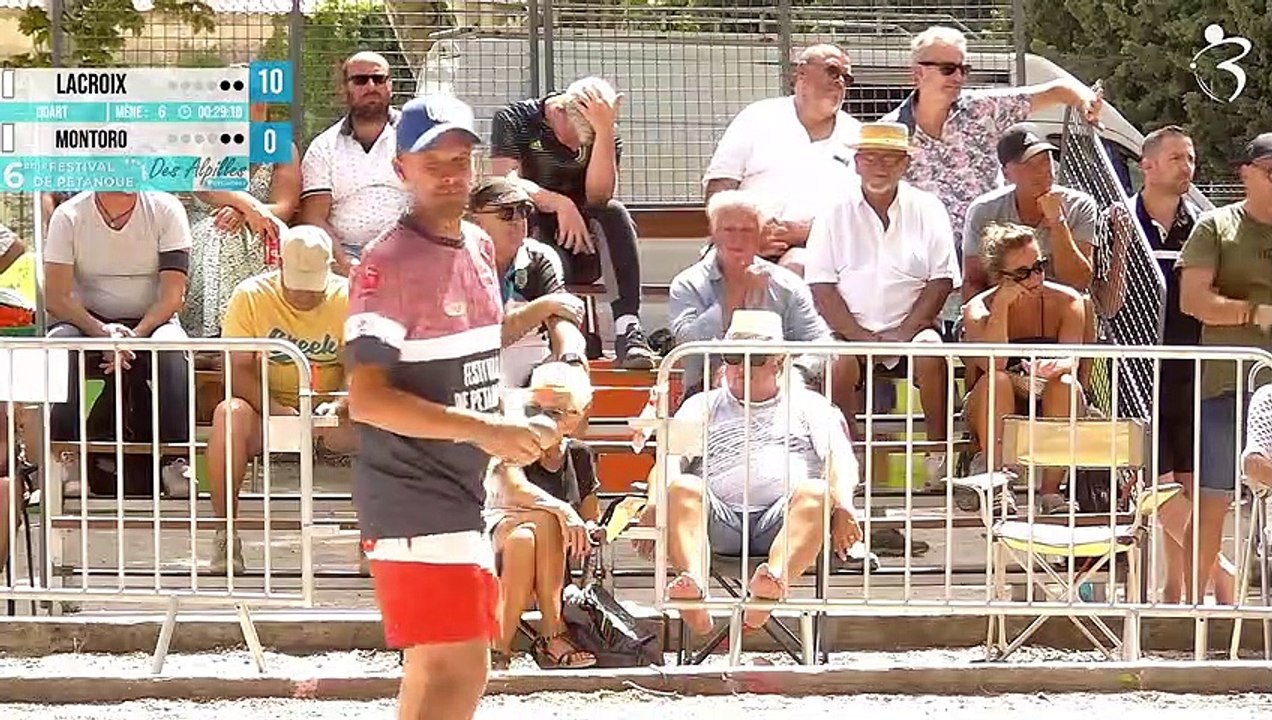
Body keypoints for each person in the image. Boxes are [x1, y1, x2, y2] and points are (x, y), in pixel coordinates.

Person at [344, 94, 545, 720]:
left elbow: (468, 356)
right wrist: (488, 429)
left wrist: (527, 405)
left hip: (458, 490)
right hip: (413, 493)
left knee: (441, 670)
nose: (451, 173)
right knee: (458, 667)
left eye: (461, 159)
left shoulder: (481, 248)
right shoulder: (386, 263)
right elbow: (367, 399)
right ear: (402, 168)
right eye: (435, 162)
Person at [637, 310, 862, 634]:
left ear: (779, 362)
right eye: (733, 357)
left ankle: (771, 585)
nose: (742, 368)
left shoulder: (810, 406)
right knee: (682, 486)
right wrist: (655, 500)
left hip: (785, 521)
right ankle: (694, 589)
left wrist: (843, 504)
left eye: (755, 359)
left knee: (816, 491)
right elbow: (669, 460)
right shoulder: (701, 405)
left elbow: (840, 460)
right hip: (718, 522)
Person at [806, 122, 960, 488]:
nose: (880, 166)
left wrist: (905, 332)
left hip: (913, 328)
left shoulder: (928, 207)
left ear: (905, 164)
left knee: (930, 350)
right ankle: (849, 458)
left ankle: (938, 457)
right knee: (836, 360)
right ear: (857, 163)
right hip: (848, 331)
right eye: (871, 158)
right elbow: (822, 286)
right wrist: (858, 335)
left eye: (891, 159)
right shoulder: (832, 211)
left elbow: (942, 279)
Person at [883, 25, 1104, 256]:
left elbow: (1060, 90)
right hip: (929, 263)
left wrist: (1086, 103)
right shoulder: (891, 134)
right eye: (948, 69)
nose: (958, 77)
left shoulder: (982, 109)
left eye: (963, 69)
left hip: (992, 257)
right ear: (918, 74)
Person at [208, 225, 354, 574]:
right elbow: (236, 367)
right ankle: (225, 534)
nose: (304, 295)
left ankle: (373, 541)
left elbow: (359, 365)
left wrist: (338, 404)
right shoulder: (251, 295)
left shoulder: (349, 295)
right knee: (229, 415)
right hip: (267, 412)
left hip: (331, 411)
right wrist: (275, 409)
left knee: (379, 420)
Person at [1128, 126, 1234, 603]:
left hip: (1196, 367)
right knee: (1155, 485)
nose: (1186, 167)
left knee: (1191, 485)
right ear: (1146, 165)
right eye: (1175, 158)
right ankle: (1224, 576)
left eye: (1190, 158)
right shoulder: (1120, 221)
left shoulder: (1207, 225)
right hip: (1139, 370)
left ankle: (1177, 589)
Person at [490, 76, 655, 369]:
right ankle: (562, 332)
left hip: (587, 242)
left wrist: (604, 133)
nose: (576, 148)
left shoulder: (603, 130)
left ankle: (628, 330)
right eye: (575, 138)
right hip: (538, 240)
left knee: (614, 212)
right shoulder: (516, 119)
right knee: (530, 216)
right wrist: (559, 203)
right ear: (560, 111)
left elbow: (598, 195)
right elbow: (506, 182)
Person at [43, 191, 195, 498]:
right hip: (84, 321)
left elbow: (172, 297)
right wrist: (102, 333)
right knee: (59, 345)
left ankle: (176, 459)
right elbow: (56, 297)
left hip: (153, 323)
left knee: (173, 346)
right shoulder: (68, 215)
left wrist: (134, 337)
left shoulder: (166, 209)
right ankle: (66, 458)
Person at [1176, 132, 1272, 605]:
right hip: (1229, 383)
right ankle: (1189, 616)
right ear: (1247, 174)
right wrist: (1254, 313)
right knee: (1214, 500)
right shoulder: (1216, 226)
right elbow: (1193, 300)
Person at [702, 44, 862, 275]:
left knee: (798, 265)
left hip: (822, 248)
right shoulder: (758, 117)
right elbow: (720, 187)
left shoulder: (856, 136)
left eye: (847, 78)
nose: (840, 82)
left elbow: (858, 213)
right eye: (832, 71)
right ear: (801, 73)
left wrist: (800, 231)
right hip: (743, 242)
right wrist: (747, 235)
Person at [961, 223, 1088, 514]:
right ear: (999, 276)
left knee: (1066, 383)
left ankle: (1052, 493)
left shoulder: (1068, 301)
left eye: (1039, 266)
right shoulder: (978, 309)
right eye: (1022, 273)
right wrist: (1002, 308)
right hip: (992, 397)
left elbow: (1073, 357)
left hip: (1051, 389)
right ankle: (997, 486)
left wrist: (1053, 368)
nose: (1035, 278)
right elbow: (994, 362)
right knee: (999, 380)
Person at [484, 362, 599, 670]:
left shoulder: (579, 454)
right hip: (497, 530)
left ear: (577, 415)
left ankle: (499, 649)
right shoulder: (515, 439)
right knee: (545, 519)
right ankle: (553, 634)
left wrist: (590, 527)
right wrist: (562, 510)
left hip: (547, 552)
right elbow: (515, 490)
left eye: (556, 412)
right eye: (536, 408)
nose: (543, 419)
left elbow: (590, 512)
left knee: (526, 539)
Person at [668, 189, 832, 397]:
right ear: (714, 233)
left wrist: (793, 373)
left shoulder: (786, 285)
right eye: (729, 230)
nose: (737, 239)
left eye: (747, 230)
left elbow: (819, 342)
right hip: (706, 393)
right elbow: (688, 345)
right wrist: (735, 293)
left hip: (781, 394)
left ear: (761, 235)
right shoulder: (688, 284)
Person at [183, 98, 301, 338]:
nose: (250, 106)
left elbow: (284, 206)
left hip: (261, 224)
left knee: (270, 235)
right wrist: (245, 204)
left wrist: (246, 212)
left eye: (256, 99)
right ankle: (216, 333)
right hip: (206, 224)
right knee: (220, 233)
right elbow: (205, 188)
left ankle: (267, 329)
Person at [467, 177, 589, 387]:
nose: (518, 220)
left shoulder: (539, 256)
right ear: (475, 222)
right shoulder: (457, 262)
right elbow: (485, 339)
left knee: (570, 384)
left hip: (533, 372)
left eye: (523, 210)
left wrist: (572, 360)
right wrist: (543, 306)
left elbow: (562, 320)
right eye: (506, 212)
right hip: (474, 373)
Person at [961, 124, 1102, 301]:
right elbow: (973, 281)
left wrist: (1057, 221)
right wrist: (985, 322)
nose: (1042, 170)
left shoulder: (1079, 206)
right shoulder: (984, 211)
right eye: (1029, 163)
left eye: (1045, 160)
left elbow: (1079, 281)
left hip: (1061, 312)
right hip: (1002, 310)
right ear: (1006, 173)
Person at [299, 51, 409, 274]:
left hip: (409, 251)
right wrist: (345, 263)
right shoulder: (323, 147)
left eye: (379, 79)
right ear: (343, 89)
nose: (371, 86)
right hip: (344, 254)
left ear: (391, 86)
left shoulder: (415, 136)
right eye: (360, 80)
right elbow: (314, 217)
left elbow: (431, 200)